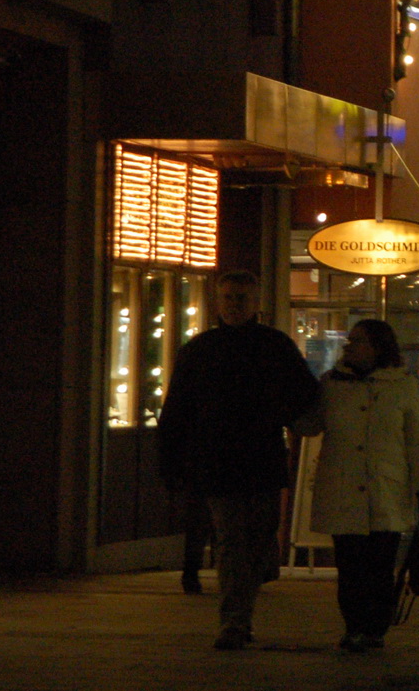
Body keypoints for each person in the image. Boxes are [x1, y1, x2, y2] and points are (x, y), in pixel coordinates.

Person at [159, 270, 320, 650]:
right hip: (219, 460)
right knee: (232, 540)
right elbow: (177, 409)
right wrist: (171, 460)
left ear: (256, 303)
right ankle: (234, 620)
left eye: (241, 298)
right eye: (229, 297)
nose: (234, 305)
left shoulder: (273, 346)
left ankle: (242, 603)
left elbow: (304, 393)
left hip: (259, 459)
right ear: (218, 301)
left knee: (257, 539)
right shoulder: (201, 350)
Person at [298, 319, 419, 652]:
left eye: (358, 341)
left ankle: (376, 626)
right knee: (350, 567)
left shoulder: (400, 385)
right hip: (344, 489)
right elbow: (309, 425)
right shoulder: (331, 385)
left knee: (380, 566)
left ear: (378, 346)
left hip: (385, 489)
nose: (350, 346)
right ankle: (354, 627)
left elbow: (416, 440)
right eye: (349, 341)